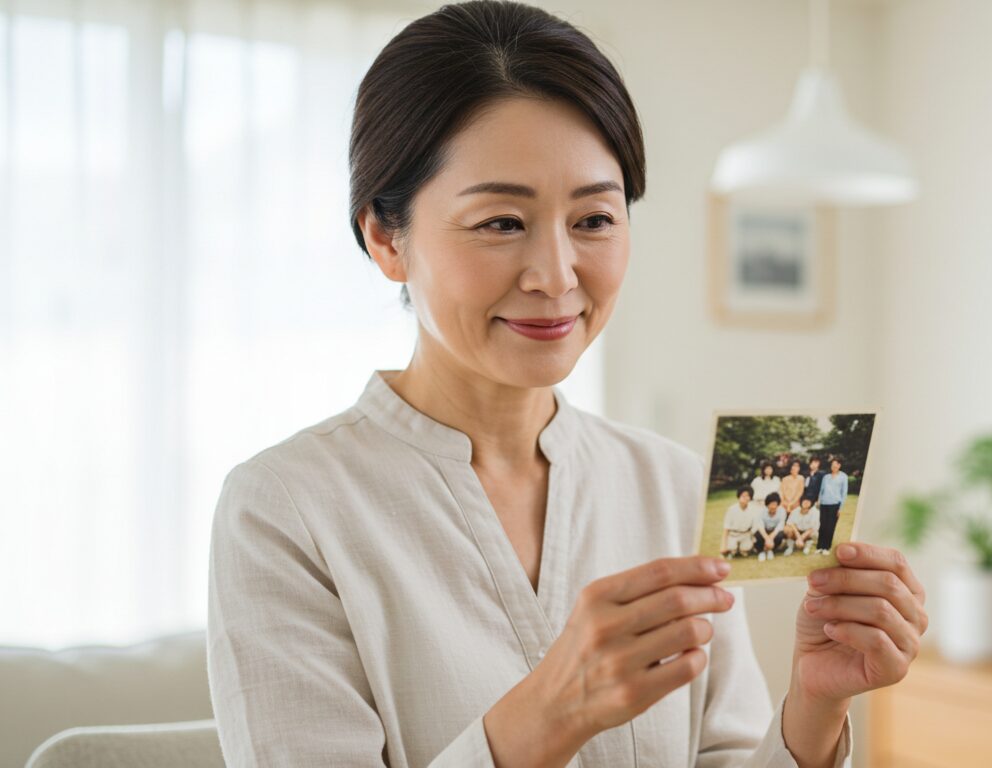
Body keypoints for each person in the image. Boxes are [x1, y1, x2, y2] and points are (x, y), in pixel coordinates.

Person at [205, 3, 926, 767]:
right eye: (501, 223)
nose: (556, 276)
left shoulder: (676, 487)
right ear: (386, 238)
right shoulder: (283, 511)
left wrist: (813, 708)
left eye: (593, 220)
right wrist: (547, 715)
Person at [816, 458, 849, 554]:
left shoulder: (843, 477)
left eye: (835, 465)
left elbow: (844, 493)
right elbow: (821, 490)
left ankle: (826, 547)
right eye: (832, 465)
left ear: (839, 465)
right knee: (822, 525)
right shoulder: (826, 477)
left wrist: (840, 508)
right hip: (824, 504)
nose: (833, 467)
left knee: (830, 526)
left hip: (835, 504)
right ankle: (819, 547)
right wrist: (819, 500)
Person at [721, 488, 759, 558]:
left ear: (750, 497)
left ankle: (743, 549)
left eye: (747, 496)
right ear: (739, 497)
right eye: (743, 496)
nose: (745, 498)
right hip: (733, 535)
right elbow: (726, 528)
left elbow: (755, 526)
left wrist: (751, 538)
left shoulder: (753, 509)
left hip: (745, 534)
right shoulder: (731, 509)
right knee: (732, 548)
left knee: (745, 549)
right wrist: (723, 545)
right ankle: (733, 550)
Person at [754, 492, 787, 562]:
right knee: (758, 534)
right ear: (767, 505)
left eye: (775, 504)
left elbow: (780, 526)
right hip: (764, 530)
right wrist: (767, 538)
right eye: (771, 504)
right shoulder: (761, 511)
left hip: (774, 531)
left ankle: (770, 550)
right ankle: (761, 552)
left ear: (778, 504)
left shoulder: (782, 511)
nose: (773, 507)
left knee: (780, 535)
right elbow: (760, 526)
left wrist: (770, 538)